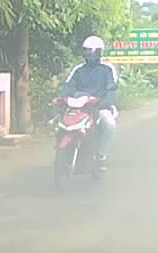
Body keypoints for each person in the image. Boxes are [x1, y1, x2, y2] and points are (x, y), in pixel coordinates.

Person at [61, 36, 119, 167]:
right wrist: (62, 98)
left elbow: (111, 88)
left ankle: (101, 156)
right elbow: (68, 86)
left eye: (91, 50)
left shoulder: (107, 69)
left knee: (109, 123)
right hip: (79, 107)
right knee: (58, 122)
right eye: (85, 50)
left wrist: (103, 103)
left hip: (100, 106)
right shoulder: (78, 70)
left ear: (99, 52)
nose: (88, 53)